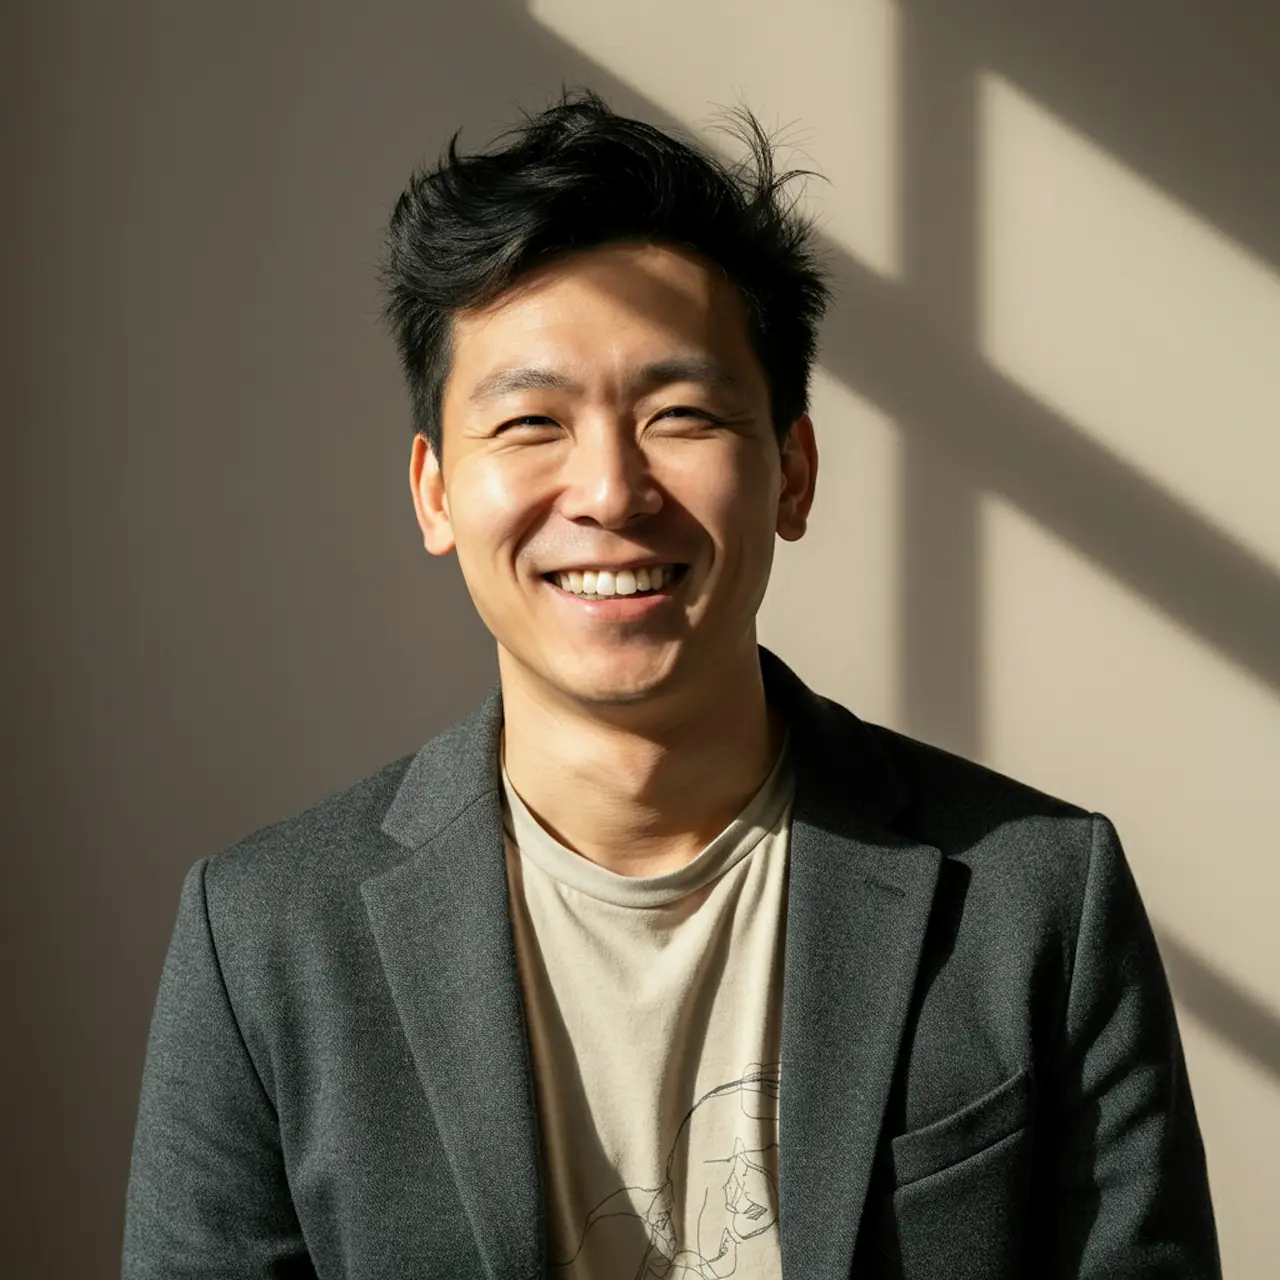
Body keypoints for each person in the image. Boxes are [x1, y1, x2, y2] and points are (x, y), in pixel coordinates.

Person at [122, 88, 1220, 1280]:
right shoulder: (265, 935)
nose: (610, 490)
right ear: (434, 491)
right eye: (530, 422)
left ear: (791, 471)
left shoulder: (1037, 898)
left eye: (680, 413)